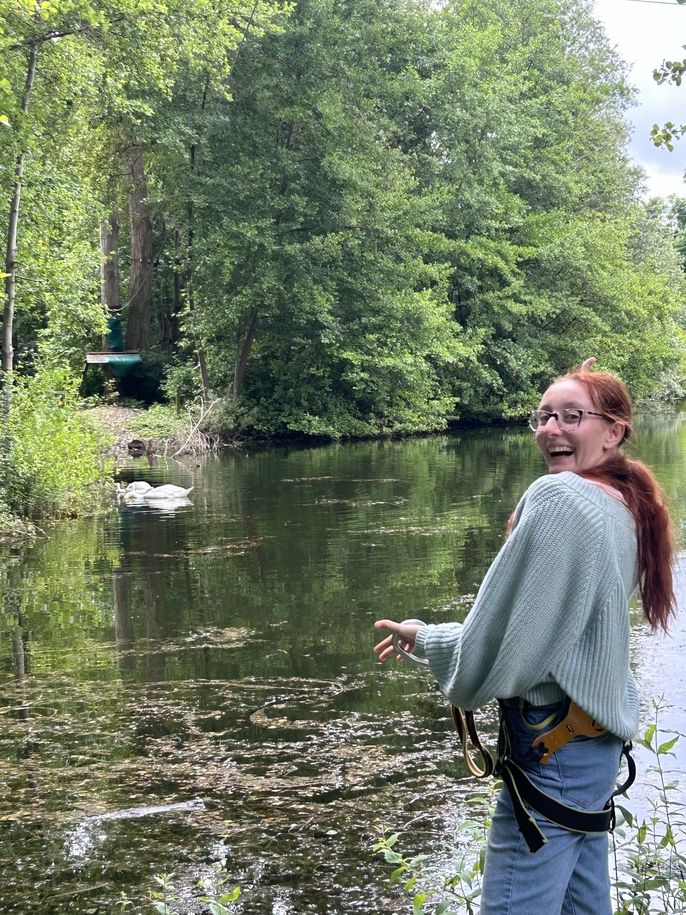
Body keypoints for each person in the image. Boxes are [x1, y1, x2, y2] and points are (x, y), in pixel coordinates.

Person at [373, 364, 675, 915]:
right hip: (593, 747)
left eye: (572, 416)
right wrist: (431, 636)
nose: (551, 428)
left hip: (550, 751)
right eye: (544, 416)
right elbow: (538, 631)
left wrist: (440, 646)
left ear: (613, 431)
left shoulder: (561, 498)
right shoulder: (626, 505)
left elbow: (504, 649)